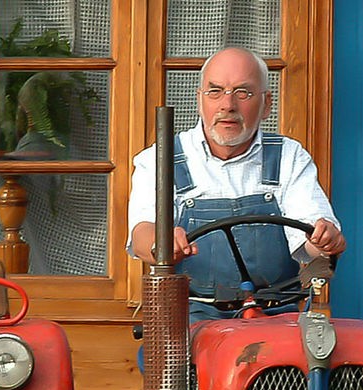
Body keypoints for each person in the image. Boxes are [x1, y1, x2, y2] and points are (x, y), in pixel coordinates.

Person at [127, 47, 346, 322]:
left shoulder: (289, 156)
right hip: (189, 316)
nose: (227, 105)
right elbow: (141, 235)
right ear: (199, 100)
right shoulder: (161, 159)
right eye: (215, 91)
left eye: (243, 93)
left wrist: (324, 240)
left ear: (266, 104)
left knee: (317, 359)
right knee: (174, 363)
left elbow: (311, 241)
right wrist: (163, 243)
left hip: (275, 312)